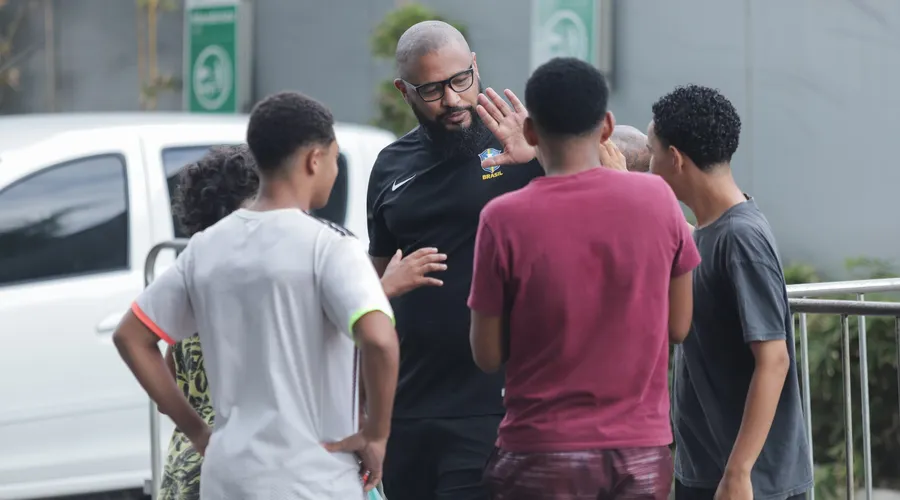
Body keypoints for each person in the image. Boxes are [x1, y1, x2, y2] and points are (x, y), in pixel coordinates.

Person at [113, 91, 400, 499]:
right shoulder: (332, 247)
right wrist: (376, 435)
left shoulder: (204, 248)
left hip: (228, 479)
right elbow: (379, 340)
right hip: (312, 481)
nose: (335, 170)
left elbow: (131, 337)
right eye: (335, 158)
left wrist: (196, 429)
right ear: (313, 160)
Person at [467, 57, 700, 499]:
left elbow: (487, 353)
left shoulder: (503, 218)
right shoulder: (658, 200)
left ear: (531, 133)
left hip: (539, 452)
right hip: (639, 452)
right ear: (608, 126)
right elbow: (678, 327)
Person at [365, 20, 544, 500]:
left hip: (494, 404)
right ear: (404, 90)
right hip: (408, 405)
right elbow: (371, 282)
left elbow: (601, 205)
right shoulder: (389, 167)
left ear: (476, 67)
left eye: (461, 80)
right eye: (432, 89)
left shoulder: (523, 148)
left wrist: (536, 159)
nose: (452, 100)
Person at [647, 84, 813, 500]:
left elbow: (774, 360)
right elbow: (674, 231)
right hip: (707, 470)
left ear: (675, 159)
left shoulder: (741, 238)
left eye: (651, 153)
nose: (647, 166)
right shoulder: (710, 231)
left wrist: (739, 473)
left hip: (747, 482)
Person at [159, 145, 259, 500]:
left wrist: (196, 430)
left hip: (184, 465)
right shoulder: (253, 284)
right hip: (233, 467)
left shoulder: (196, 279)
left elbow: (169, 378)